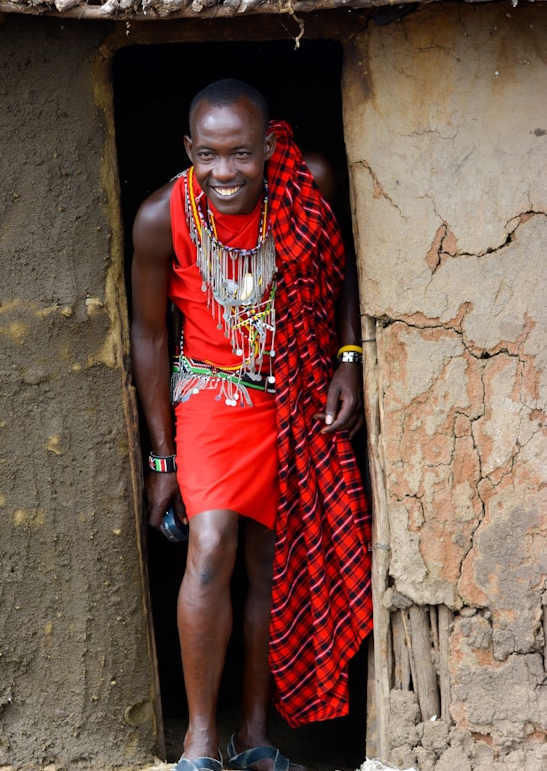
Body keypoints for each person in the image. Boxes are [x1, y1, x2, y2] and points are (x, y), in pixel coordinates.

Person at [130, 78, 372, 771]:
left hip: (292, 396)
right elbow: (149, 336)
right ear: (188, 150)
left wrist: (347, 359)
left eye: (239, 154)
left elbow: (342, 268)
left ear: (267, 147)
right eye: (208, 155)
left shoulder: (307, 184)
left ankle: (254, 736)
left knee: (275, 567)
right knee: (210, 548)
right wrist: (161, 460)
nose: (224, 173)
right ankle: (200, 741)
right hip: (210, 395)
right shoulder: (161, 216)